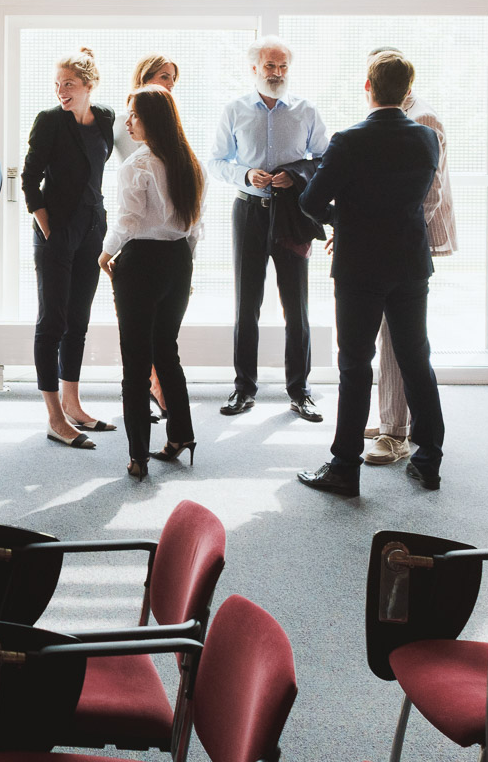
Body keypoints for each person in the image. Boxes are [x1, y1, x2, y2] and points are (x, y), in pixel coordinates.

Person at [295, 51, 446, 496]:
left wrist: (342, 220)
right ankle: (429, 460)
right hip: (410, 263)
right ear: (407, 90)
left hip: (361, 265)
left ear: (368, 86)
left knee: (355, 363)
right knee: (416, 358)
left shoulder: (349, 140)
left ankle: (344, 467)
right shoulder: (426, 139)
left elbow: (309, 202)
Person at [209, 37, 329, 422]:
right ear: (254, 69)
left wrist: (295, 177)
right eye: (269, 67)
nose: (276, 74)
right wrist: (245, 173)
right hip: (249, 213)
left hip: (293, 215)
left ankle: (300, 391)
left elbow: (324, 159)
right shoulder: (235, 110)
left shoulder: (306, 110)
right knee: (247, 304)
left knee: (297, 306)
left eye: (282, 67)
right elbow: (215, 161)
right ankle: (244, 388)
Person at [98, 86, 205, 481]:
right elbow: (196, 225)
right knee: (167, 351)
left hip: (141, 262)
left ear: (151, 120)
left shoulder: (138, 165)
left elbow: (128, 220)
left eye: (134, 116)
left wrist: (106, 252)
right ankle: (181, 435)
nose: (127, 123)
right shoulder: (192, 163)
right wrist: (186, 266)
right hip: (178, 261)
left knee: (136, 362)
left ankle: (138, 456)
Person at [363, 49, 456, 468]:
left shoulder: (423, 119)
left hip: (402, 246)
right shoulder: (404, 113)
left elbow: (428, 195)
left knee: (402, 343)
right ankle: (391, 417)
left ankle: (396, 433)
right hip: (396, 244)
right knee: (394, 338)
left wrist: (379, 233)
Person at [21, 48, 117, 449]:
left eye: (70, 84)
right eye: (58, 84)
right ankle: (54, 417)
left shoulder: (107, 118)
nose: (62, 91)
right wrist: (49, 229)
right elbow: (29, 180)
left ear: (89, 86)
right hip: (56, 231)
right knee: (52, 322)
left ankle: (73, 404)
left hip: (93, 229)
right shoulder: (49, 121)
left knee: (78, 321)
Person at [112, 54, 180, 161]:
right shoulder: (125, 122)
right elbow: (132, 169)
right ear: (144, 79)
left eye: (173, 78)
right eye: (164, 77)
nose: (172, 84)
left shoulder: (169, 120)